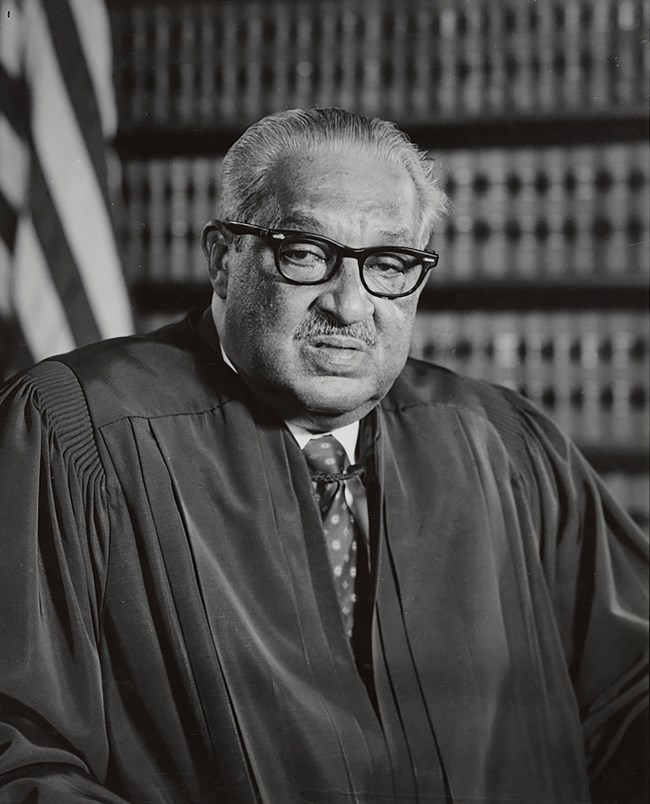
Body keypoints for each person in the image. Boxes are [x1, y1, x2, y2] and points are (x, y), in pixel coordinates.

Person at [0, 107, 647, 804]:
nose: (349, 304)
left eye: (390, 264)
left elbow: (629, 699)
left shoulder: (505, 444)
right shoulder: (77, 434)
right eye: (305, 254)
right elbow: (22, 758)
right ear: (224, 259)